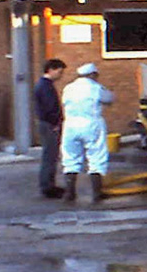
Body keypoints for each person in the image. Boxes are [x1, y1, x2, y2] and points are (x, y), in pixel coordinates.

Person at [59, 63, 114, 203]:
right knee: (96, 156)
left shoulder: (68, 88)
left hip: (70, 125)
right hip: (91, 124)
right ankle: (97, 193)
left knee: (70, 157)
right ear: (93, 74)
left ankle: (69, 193)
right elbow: (109, 99)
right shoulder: (96, 88)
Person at [34, 59, 66, 199]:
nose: (60, 75)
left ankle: (48, 184)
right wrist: (55, 123)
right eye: (59, 71)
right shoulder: (46, 86)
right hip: (49, 124)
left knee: (49, 155)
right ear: (51, 69)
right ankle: (48, 186)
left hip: (45, 123)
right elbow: (50, 107)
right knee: (50, 155)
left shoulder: (42, 85)